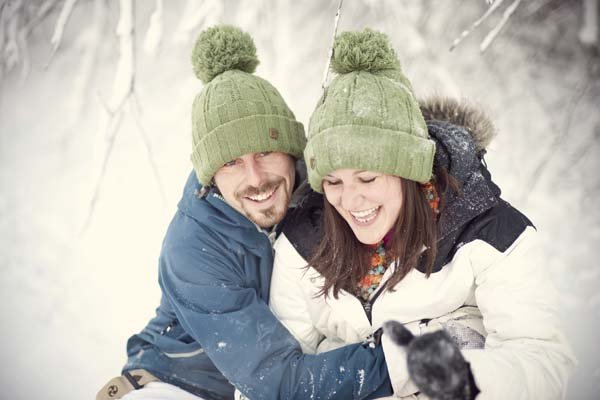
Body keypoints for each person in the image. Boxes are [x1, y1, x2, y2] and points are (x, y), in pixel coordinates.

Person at [269, 29, 576, 399]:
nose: (350, 200)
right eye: (333, 182)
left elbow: (543, 361)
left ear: (408, 170)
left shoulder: (487, 231)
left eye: (367, 177)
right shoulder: (303, 244)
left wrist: (465, 374)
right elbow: (285, 373)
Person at [97, 25, 397, 400]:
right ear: (210, 177)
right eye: (232, 162)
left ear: (292, 150)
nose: (256, 179)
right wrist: (407, 363)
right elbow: (278, 382)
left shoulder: (328, 190)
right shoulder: (192, 250)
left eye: (266, 152)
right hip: (176, 385)